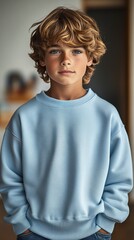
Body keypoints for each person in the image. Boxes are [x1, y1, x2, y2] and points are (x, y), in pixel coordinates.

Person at [0, 6, 133, 240]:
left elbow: (120, 178)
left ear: (91, 57)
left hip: (94, 232)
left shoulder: (107, 115)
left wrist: (105, 223)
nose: (66, 60)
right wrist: (22, 224)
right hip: (34, 233)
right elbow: (10, 177)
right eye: (55, 51)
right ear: (42, 58)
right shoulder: (25, 116)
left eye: (76, 51)